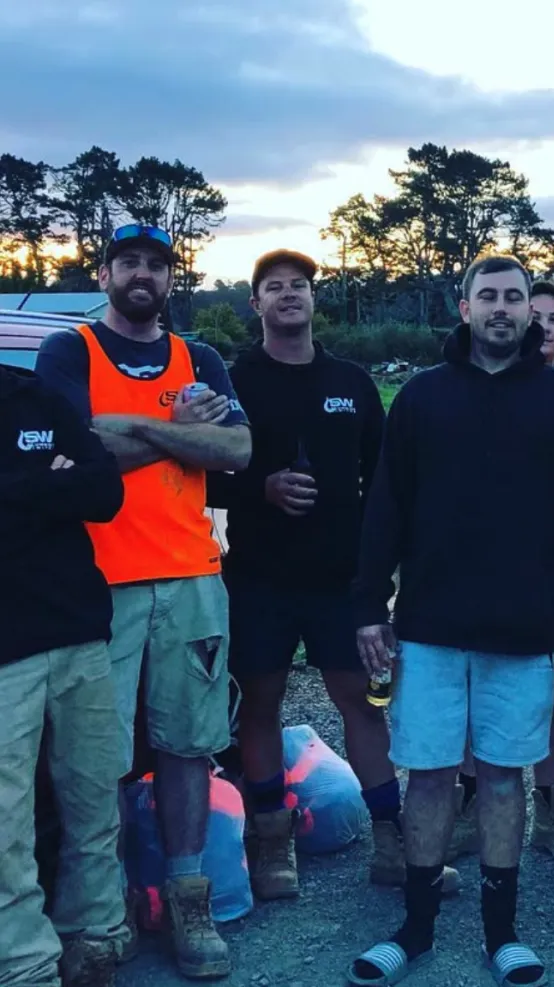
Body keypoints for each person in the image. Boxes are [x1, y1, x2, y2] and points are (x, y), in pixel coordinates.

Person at [348, 255, 554, 987]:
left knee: (500, 778)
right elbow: (386, 505)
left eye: (513, 297)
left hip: (522, 628)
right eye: (487, 295)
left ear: (530, 311)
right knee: (430, 775)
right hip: (429, 625)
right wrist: (369, 604)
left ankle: (503, 934)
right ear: (463, 308)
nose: (501, 307)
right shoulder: (423, 396)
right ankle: (416, 929)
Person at [205, 249, 460, 900]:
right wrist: (261, 488)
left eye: (300, 285)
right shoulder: (235, 380)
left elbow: (387, 482)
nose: (289, 294)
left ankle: (391, 842)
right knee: (260, 705)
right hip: (258, 577)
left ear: (315, 300)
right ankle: (273, 841)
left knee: (363, 706)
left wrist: (382, 574)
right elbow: (202, 474)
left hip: (340, 579)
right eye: (274, 287)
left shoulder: (351, 382)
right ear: (255, 304)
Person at [35, 224, 252, 980]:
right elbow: (69, 450)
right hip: (97, 581)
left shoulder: (201, 358)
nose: (142, 274)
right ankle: (100, 910)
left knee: (189, 743)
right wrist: (178, 431)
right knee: (92, 756)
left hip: (192, 576)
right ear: (104, 273)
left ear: (169, 279)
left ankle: (188, 898)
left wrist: (125, 433)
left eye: (156, 265)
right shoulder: (70, 351)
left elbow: (237, 451)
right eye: (127, 261)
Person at [451, 278, 554, 870]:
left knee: (551, 685)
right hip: (481, 569)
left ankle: (551, 811)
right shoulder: (472, 389)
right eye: (535, 314)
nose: (543, 326)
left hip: (553, 572)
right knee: (472, 679)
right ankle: (469, 805)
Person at [0, 362, 125, 987]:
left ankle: (95, 932)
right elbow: (77, 489)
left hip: (78, 630)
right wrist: (50, 484)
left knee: (94, 794)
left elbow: (105, 493)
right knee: (5, 820)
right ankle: (25, 963)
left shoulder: (34, 395)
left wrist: (16, 491)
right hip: (5, 653)